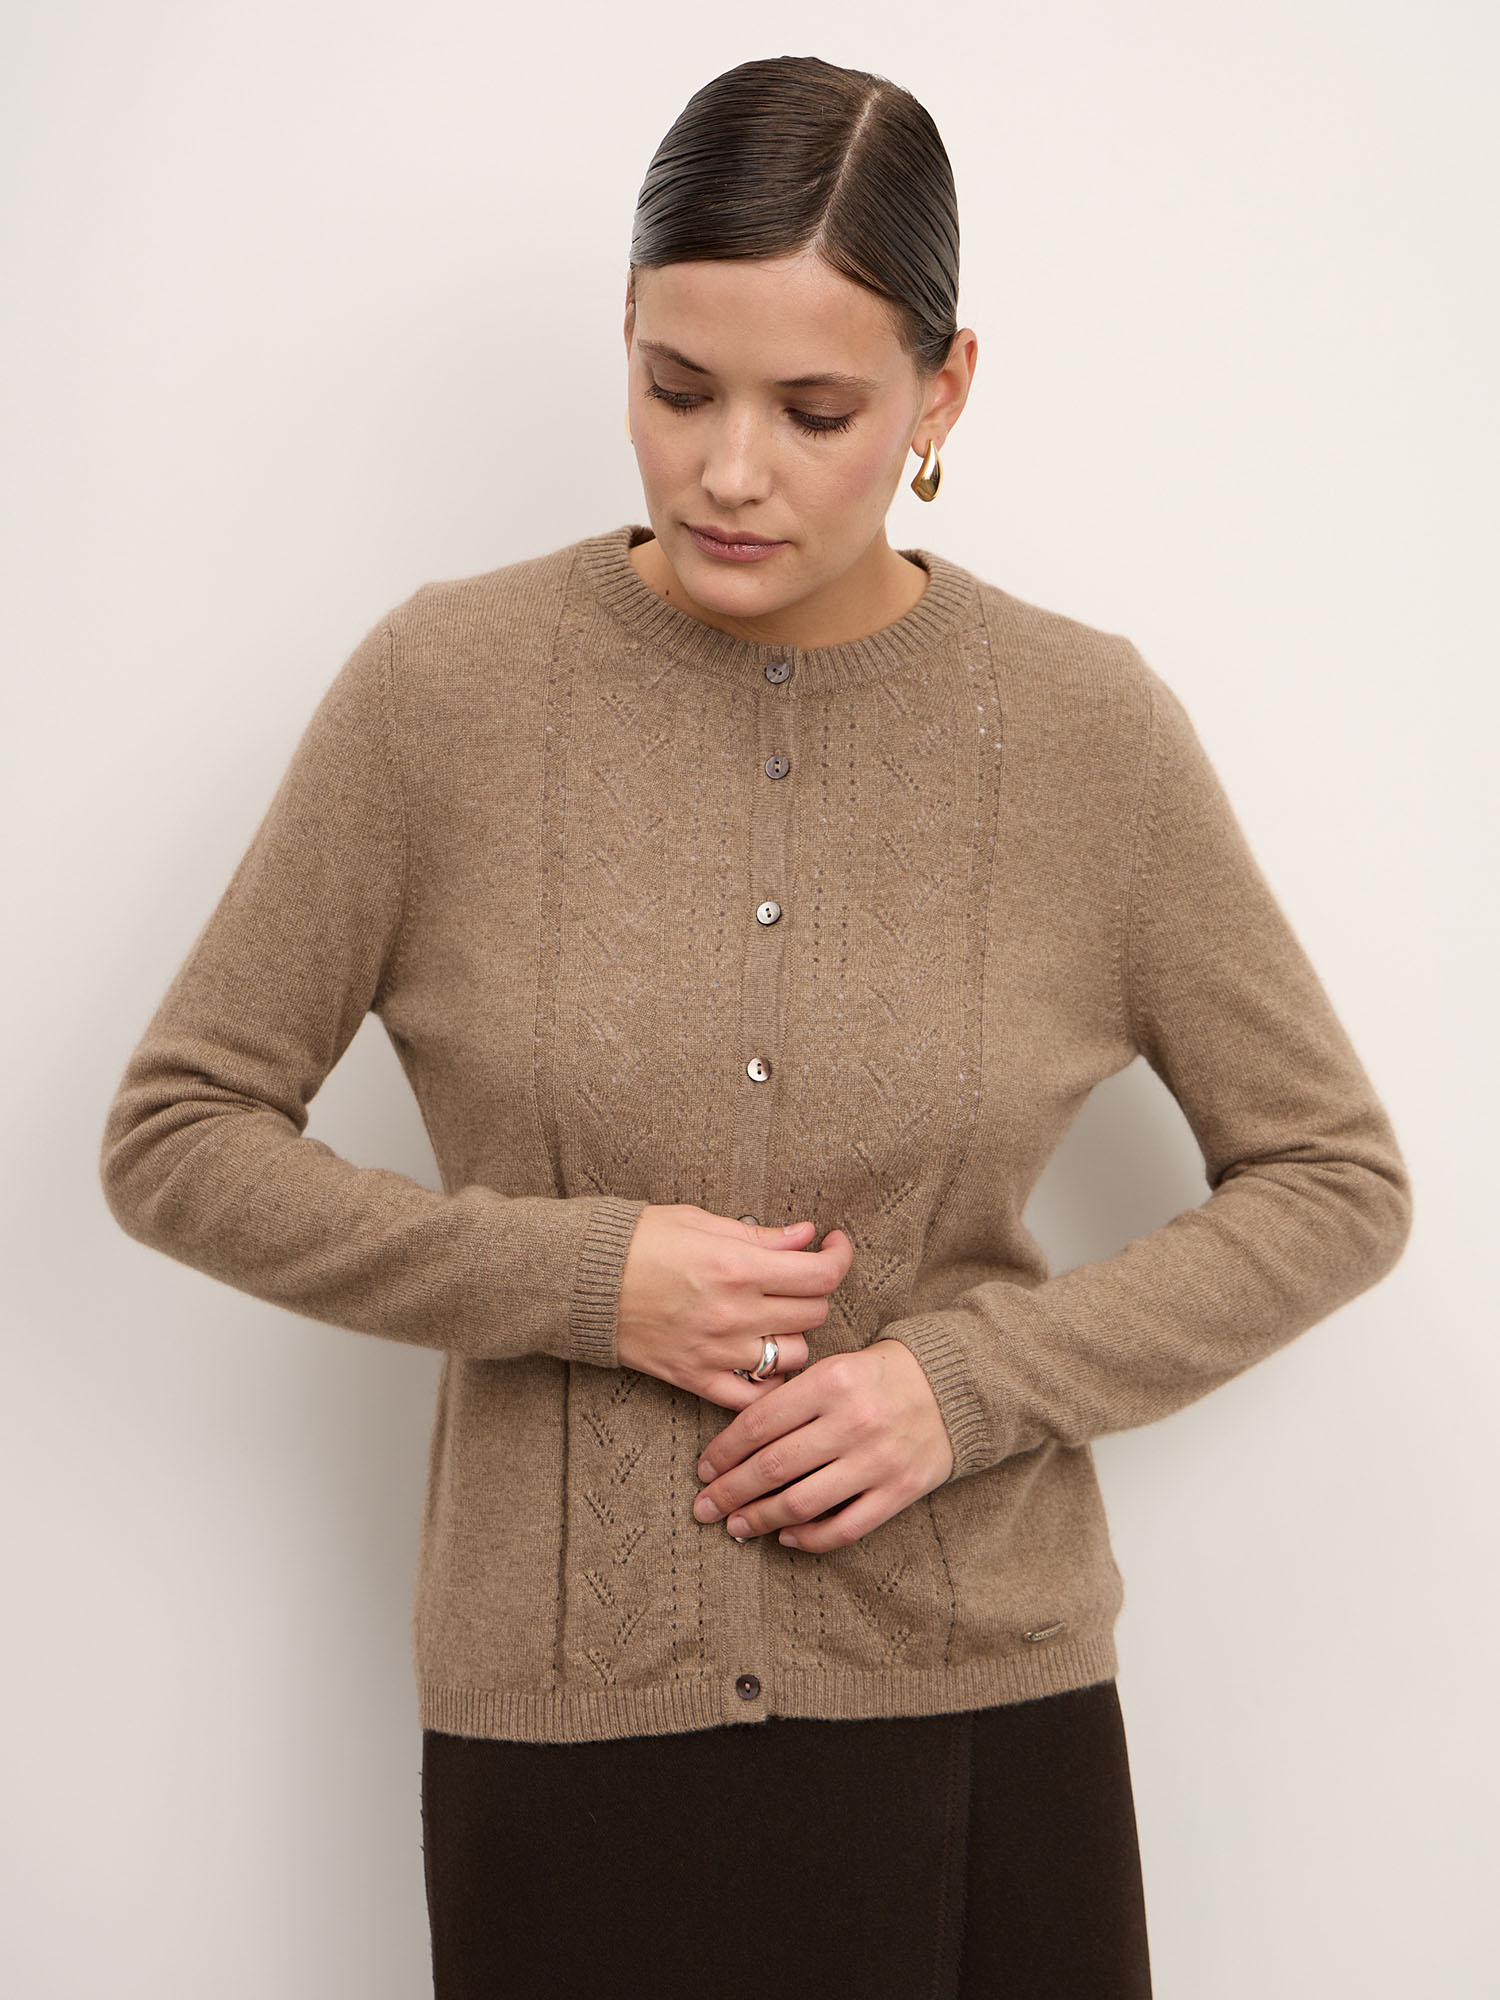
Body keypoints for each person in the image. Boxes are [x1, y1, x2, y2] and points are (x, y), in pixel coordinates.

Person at [98, 53, 1411, 1999]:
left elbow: (1333, 1177)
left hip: (981, 1719)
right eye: (676, 386)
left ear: (942, 393)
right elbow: (178, 1133)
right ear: (625, 335)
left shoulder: (1084, 732)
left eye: (815, 411)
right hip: (570, 1735)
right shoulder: (444, 694)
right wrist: (580, 1280)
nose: (729, 470)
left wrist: (964, 1386)